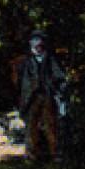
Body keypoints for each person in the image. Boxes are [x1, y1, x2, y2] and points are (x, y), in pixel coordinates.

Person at [19, 31, 67, 162]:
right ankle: (31, 154)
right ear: (31, 45)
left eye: (40, 44)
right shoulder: (25, 62)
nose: (38, 47)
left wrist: (60, 86)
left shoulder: (49, 59)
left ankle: (55, 154)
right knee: (31, 127)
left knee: (51, 124)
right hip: (31, 98)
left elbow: (59, 75)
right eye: (35, 43)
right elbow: (20, 81)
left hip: (46, 95)